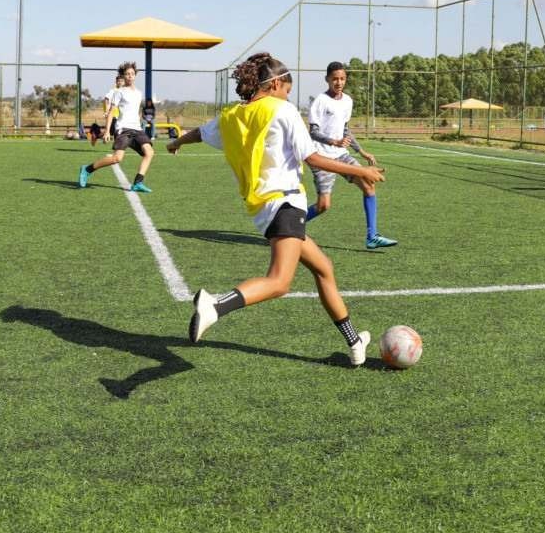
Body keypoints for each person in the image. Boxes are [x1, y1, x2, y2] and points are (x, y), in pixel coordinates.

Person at [166, 52, 385, 367]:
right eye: (287, 89)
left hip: (264, 209)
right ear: (276, 83)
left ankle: (354, 342)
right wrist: (362, 172)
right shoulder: (283, 109)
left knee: (323, 268)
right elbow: (311, 158)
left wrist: (177, 143)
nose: (288, 95)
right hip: (286, 202)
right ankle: (215, 306)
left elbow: (201, 132)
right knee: (280, 281)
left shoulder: (233, 115)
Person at [306, 61, 397, 249]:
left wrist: (362, 151)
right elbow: (313, 132)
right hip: (321, 158)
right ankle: (285, 227)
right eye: (335, 79)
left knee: (369, 186)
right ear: (327, 79)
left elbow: (345, 130)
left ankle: (372, 236)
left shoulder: (347, 101)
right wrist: (333, 141)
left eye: (342, 79)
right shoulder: (320, 101)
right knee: (323, 205)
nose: (338, 82)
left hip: (342, 155)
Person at [78, 62, 154, 193]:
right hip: (123, 129)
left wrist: (142, 122)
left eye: (132, 74)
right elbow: (112, 111)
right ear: (123, 76)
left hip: (137, 129)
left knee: (150, 152)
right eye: (127, 74)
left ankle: (138, 183)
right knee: (117, 158)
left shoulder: (139, 93)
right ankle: (87, 169)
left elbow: (135, 111)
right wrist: (107, 131)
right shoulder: (119, 92)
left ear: (135, 75)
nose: (130, 76)